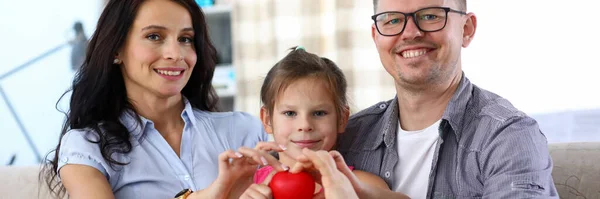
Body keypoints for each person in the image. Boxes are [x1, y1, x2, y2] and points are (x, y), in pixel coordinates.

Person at [42, 0, 286, 198]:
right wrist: (215, 193)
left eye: (185, 39)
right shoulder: (86, 147)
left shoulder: (243, 131)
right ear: (116, 49)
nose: (175, 54)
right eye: (154, 36)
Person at [336, 0, 559, 198]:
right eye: (392, 20)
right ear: (376, 37)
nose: (410, 33)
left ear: (467, 29)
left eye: (430, 16)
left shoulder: (509, 137)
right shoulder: (346, 137)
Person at [240, 47, 409, 199]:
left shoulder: (360, 185)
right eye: (290, 113)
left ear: (342, 119)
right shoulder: (248, 187)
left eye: (319, 113)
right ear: (267, 120)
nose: (305, 125)